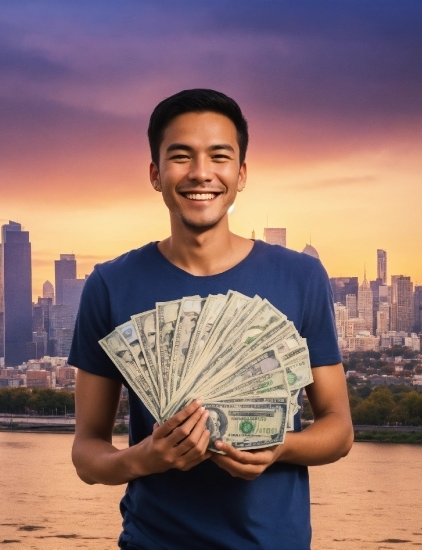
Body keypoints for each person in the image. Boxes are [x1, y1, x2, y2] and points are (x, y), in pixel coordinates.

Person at [70, 88, 353, 550]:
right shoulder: (110, 284)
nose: (201, 173)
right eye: (181, 156)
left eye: (219, 157)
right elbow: (87, 453)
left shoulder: (301, 276)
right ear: (155, 174)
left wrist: (280, 448)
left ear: (240, 175)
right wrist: (145, 458)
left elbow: (338, 429)